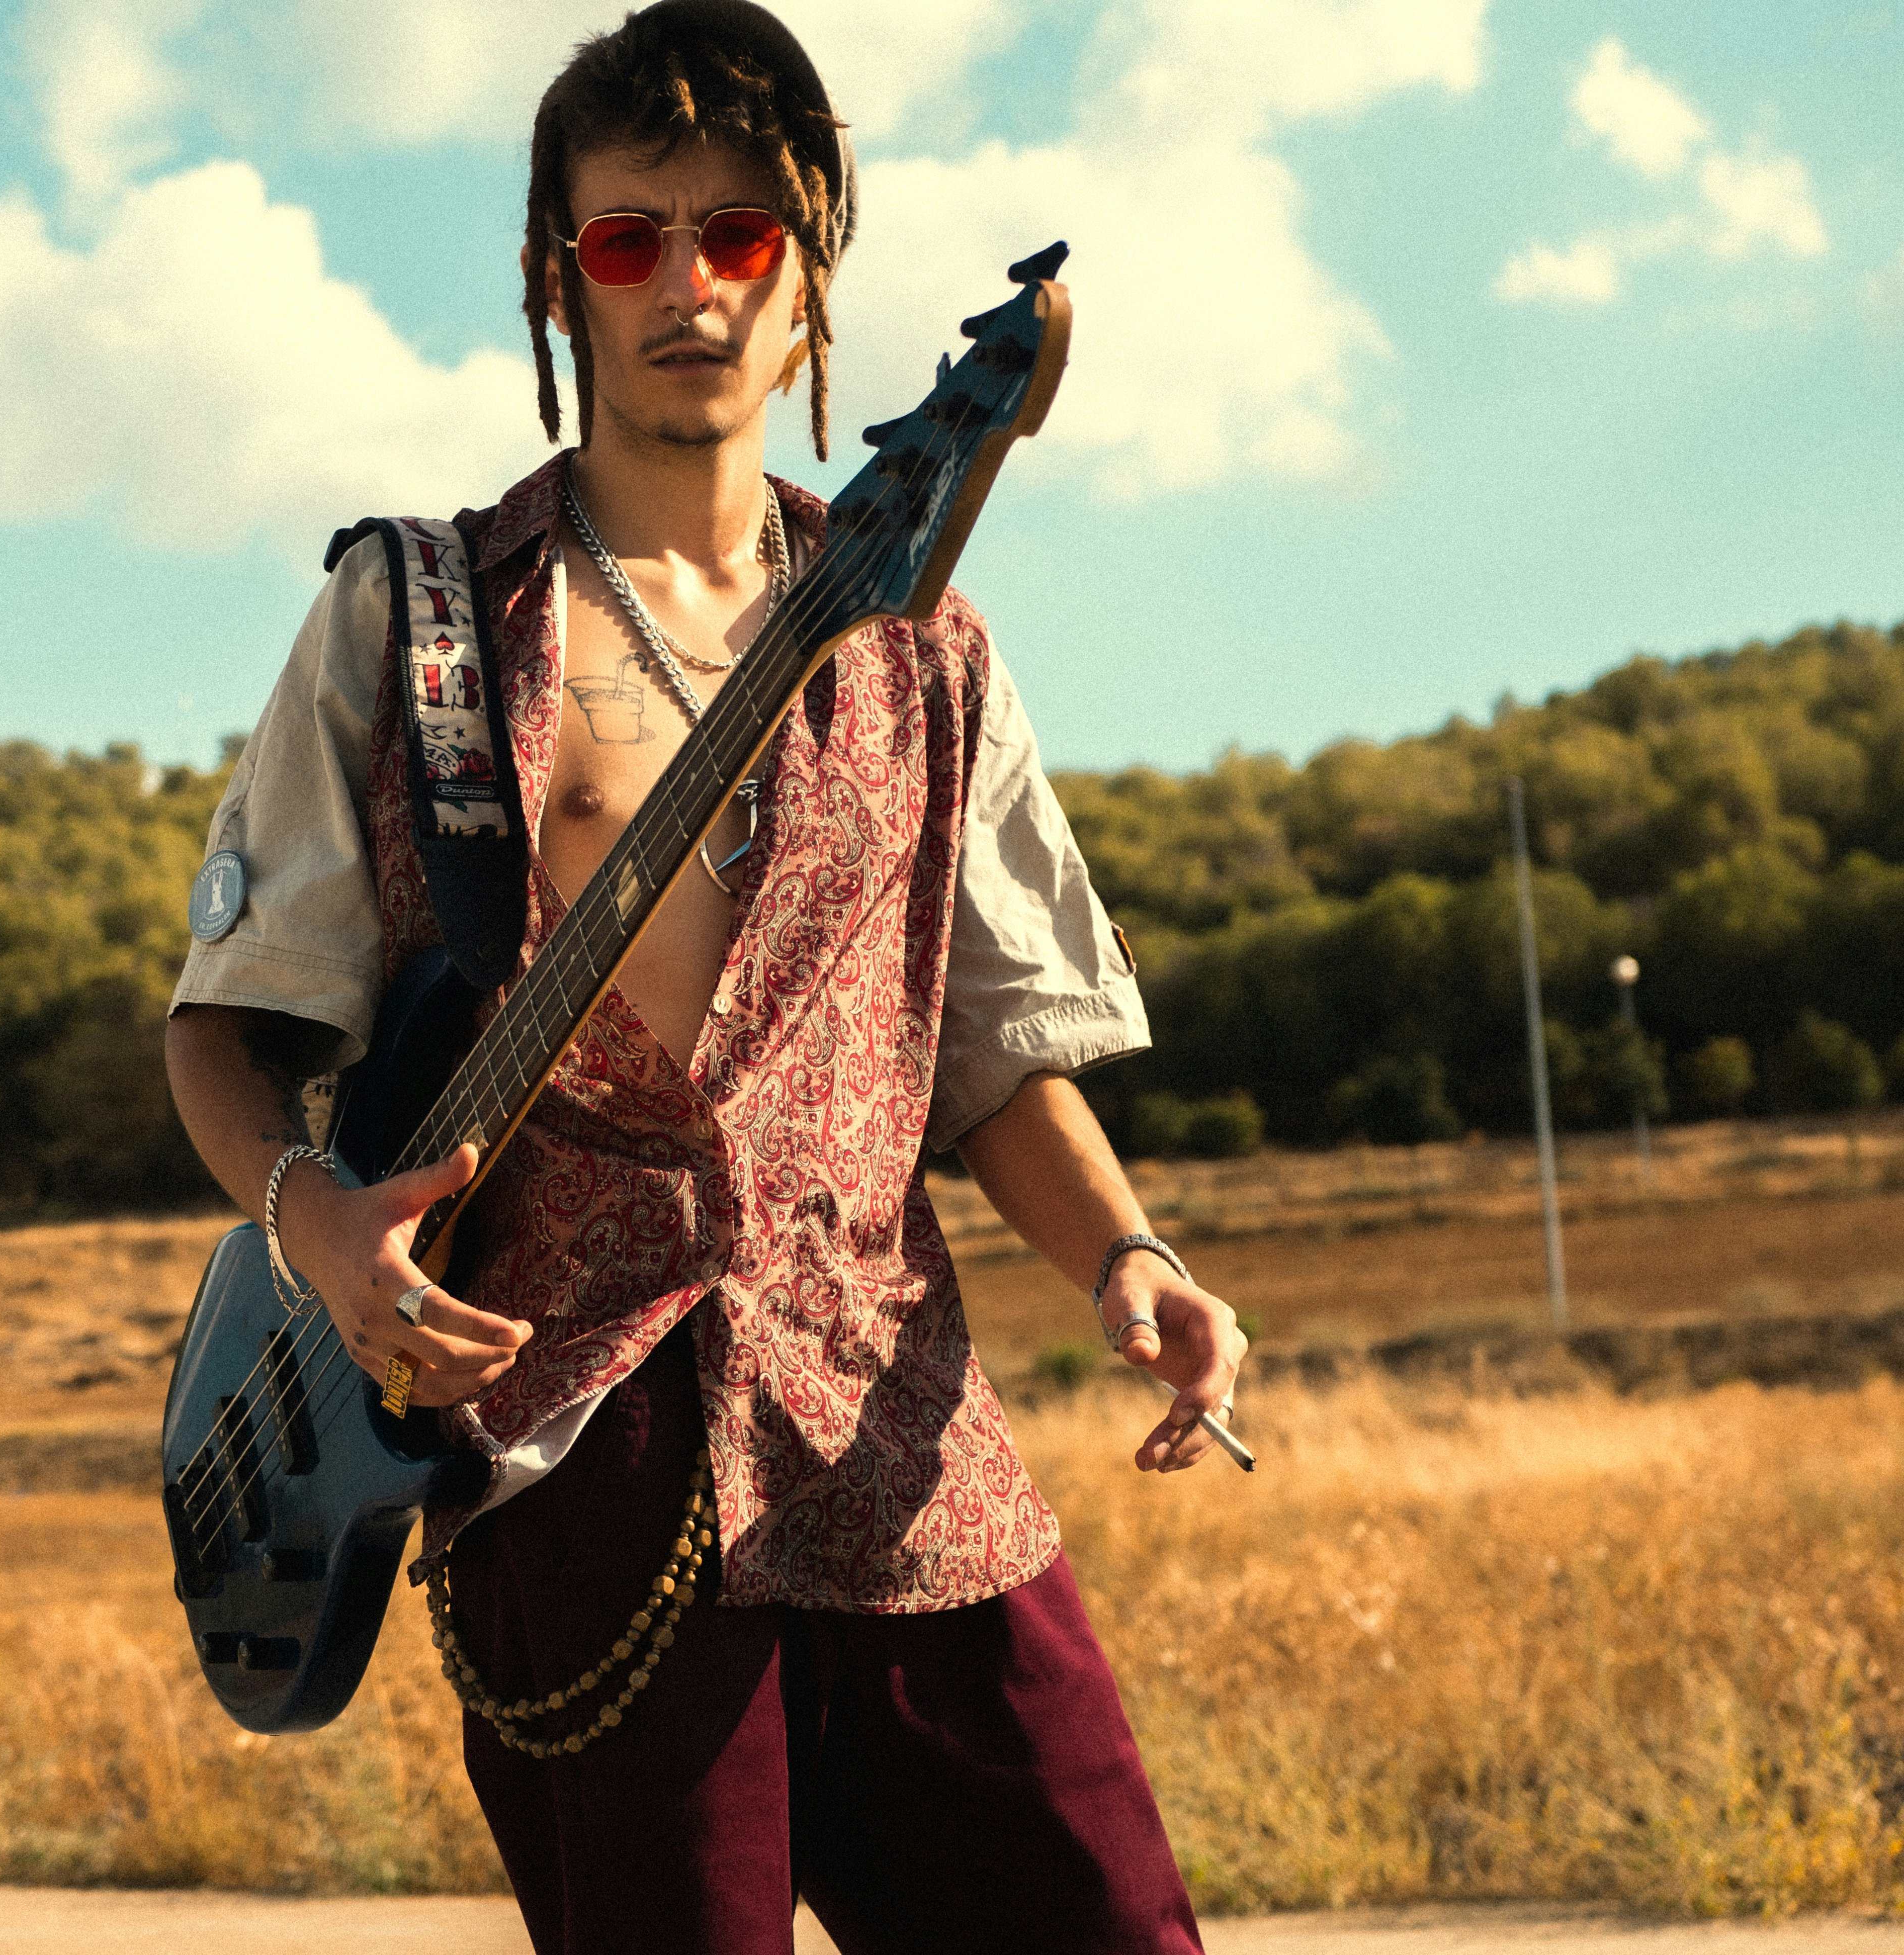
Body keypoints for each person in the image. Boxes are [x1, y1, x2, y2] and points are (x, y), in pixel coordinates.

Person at [162, 4, 1246, 1948]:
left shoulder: (929, 651)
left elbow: (998, 1061)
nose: (687, 284)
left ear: (815, 267)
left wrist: (1130, 1259)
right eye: (626, 238)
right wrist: (316, 1232)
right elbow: (229, 1031)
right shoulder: (410, 620)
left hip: (892, 1433)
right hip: (568, 1458)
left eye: (739, 235)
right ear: (551, 277)